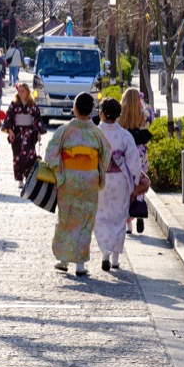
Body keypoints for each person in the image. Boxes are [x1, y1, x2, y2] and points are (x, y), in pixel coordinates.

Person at [45, 93, 111, 277]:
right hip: (89, 180)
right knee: (85, 220)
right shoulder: (97, 132)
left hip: (69, 180)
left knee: (67, 218)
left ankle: (63, 259)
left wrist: (60, 173)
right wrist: (97, 172)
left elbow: (51, 154)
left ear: (74, 108)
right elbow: (106, 155)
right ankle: (80, 264)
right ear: (91, 110)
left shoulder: (64, 130)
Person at [94, 98, 142, 272]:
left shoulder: (96, 133)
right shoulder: (124, 135)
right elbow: (133, 161)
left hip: (101, 180)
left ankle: (104, 252)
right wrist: (135, 181)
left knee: (100, 217)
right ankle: (115, 258)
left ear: (101, 113)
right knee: (119, 218)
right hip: (120, 180)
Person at [117, 88, 153, 234]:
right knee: (139, 182)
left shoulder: (120, 116)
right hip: (141, 153)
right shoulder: (143, 115)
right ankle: (138, 208)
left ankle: (128, 223)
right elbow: (151, 116)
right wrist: (141, 103)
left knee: (126, 186)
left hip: (126, 153)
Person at [3, 82, 46, 189]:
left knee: (30, 156)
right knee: (18, 156)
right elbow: (8, 118)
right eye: (19, 91)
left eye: (23, 91)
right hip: (17, 132)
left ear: (27, 92)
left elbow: (37, 119)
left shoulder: (33, 105)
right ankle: (20, 179)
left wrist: (39, 132)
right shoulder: (14, 104)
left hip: (30, 133)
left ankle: (29, 177)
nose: (21, 93)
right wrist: (10, 131)